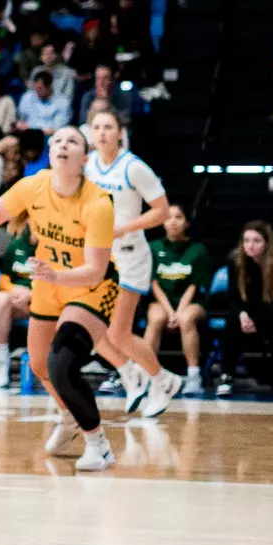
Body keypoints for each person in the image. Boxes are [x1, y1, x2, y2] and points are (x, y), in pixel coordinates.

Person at [0, 127, 120, 472]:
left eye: (72, 141)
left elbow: (95, 270)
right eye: (58, 141)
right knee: (39, 365)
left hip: (91, 287)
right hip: (50, 281)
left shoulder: (98, 203)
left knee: (63, 366)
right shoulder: (34, 186)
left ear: (85, 160)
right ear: (50, 153)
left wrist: (55, 276)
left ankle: (99, 444)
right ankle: (69, 416)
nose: (63, 145)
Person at [83, 109, 182, 416]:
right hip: (100, 255)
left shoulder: (134, 167)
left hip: (130, 256)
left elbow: (162, 211)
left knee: (118, 334)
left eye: (108, 126)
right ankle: (130, 375)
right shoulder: (88, 165)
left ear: (120, 132)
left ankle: (161, 379)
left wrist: (124, 226)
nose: (102, 132)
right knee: (90, 327)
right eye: (96, 127)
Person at [146, 204, 210, 395]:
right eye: (168, 217)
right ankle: (148, 374)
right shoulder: (154, 247)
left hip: (191, 302)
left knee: (186, 319)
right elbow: (154, 284)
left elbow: (194, 286)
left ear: (187, 222)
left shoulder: (198, 250)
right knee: (156, 318)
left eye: (178, 217)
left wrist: (178, 312)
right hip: (162, 301)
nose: (172, 222)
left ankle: (193, 376)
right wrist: (169, 311)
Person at [225, 221, 273, 394]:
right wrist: (242, 315)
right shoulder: (235, 260)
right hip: (246, 313)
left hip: (272, 313)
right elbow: (233, 297)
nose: (250, 245)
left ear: (267, 243)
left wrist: (260, 320)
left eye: (257, 241)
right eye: (246, 240)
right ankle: (226, 375)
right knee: (231, 324)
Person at [0, 215, 35, 387]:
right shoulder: (16, 245)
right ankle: (1, 358)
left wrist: (32, 293)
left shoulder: (53, 247)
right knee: (0, 299)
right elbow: (3, 278)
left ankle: (43, 359)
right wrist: (13, 290)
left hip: (43, 300)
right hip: (17, 300)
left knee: (45, 305)